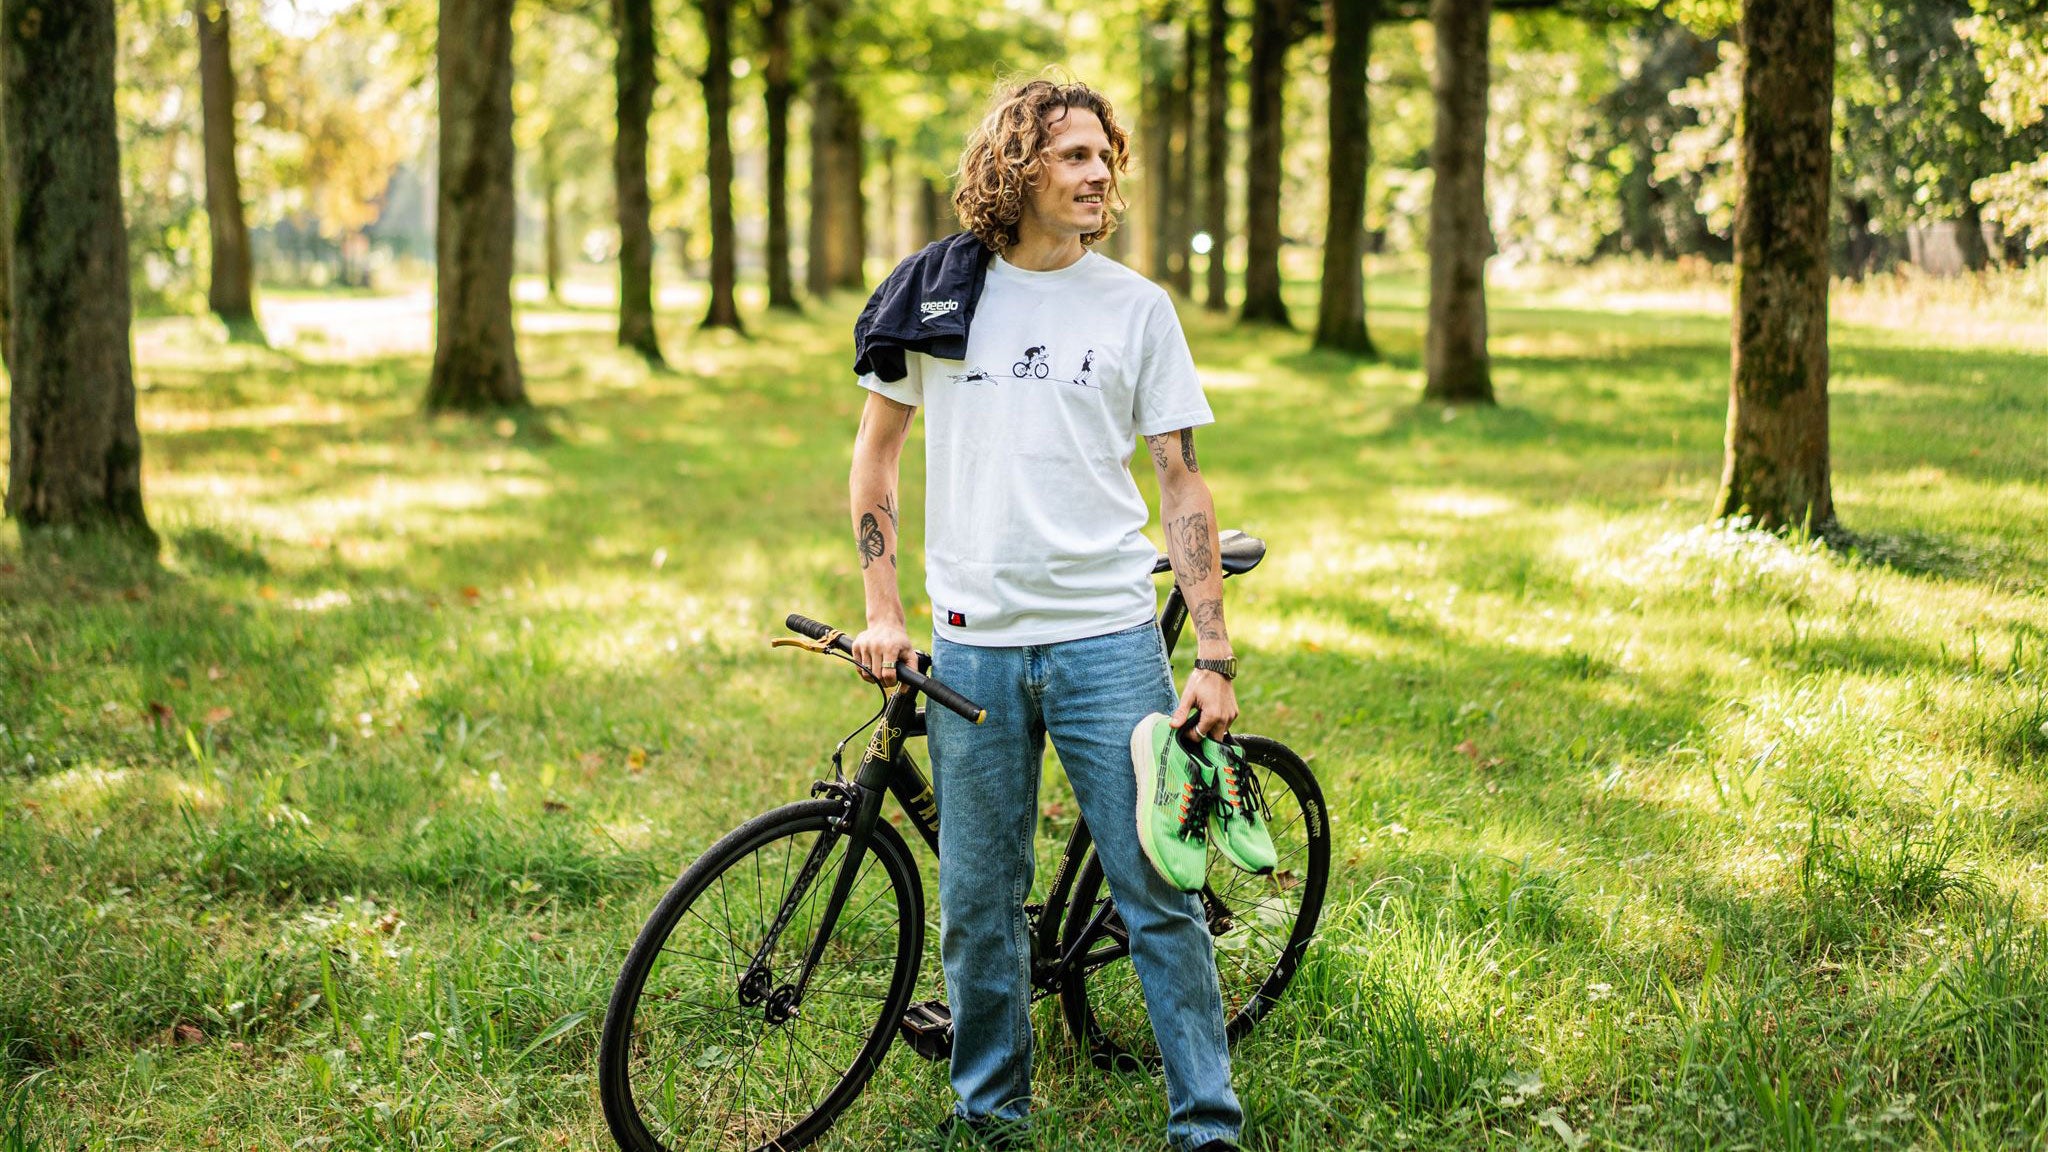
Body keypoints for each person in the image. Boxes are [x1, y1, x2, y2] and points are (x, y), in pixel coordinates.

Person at [846, 78, 1246, 1152]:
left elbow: (1182, 485)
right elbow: (874, 464)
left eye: (1104, 156)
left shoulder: (1135, 307)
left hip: (1108, 643)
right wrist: (883, 613)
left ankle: (1206, 1126)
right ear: (1016, 166)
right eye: (1072, 154)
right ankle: (990, 1121)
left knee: (1157, 893)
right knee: (978, 913)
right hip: (972, 651)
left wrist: (1212, 653)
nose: (1098, 173)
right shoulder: (939, 296)